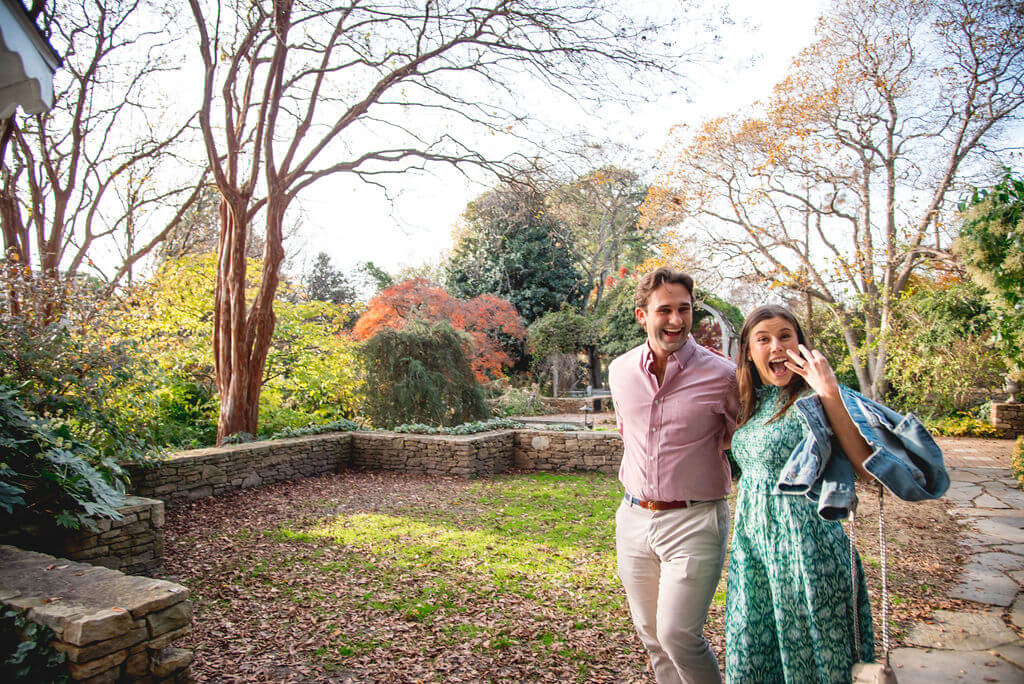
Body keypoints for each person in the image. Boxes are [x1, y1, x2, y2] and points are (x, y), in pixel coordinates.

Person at [724, 305, 876, 683]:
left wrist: (829, 391)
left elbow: (865, 463)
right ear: (748, 350)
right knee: (753, 654)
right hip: (754, 548)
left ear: (800, 344)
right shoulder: (751, 402)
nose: (776, 346)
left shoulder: (818, 397)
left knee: (816, 659)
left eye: (785, 336)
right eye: (764, 339)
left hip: (807, 549)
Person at [608, 267, 739, 684]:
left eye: (684, 309)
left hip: (695, 519)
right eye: (664, 310)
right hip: (633, 518)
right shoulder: (620, 371)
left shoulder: (723, 375)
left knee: (677, 633)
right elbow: (626, 431)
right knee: (650, 635)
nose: (677, 320)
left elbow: (746, 440)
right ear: (641, 315)